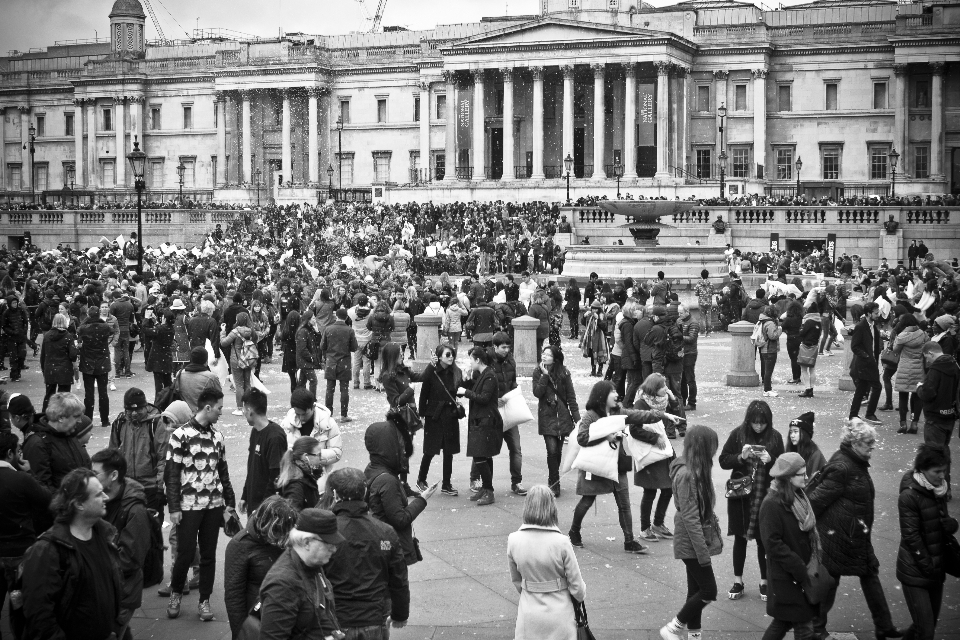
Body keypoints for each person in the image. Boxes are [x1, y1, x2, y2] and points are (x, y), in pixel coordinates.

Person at [808, 419, 905, 640]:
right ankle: (816, 628)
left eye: (872, 443)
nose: (872, 447)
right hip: (837, 539)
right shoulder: (843, 467)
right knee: (832, 583)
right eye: (868, 443)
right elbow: (815, 501)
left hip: (853, 537)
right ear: (854, 443)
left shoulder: (855, 462)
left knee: (868, 577)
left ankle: (884, 626)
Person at [20, 468, 123, 640]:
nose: (106, 497)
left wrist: (116, 628)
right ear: (79, 504)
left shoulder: (103, 534)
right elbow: (40, 618)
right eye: (98, 495)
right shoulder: (46, 550)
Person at [164, 386, 238, 622]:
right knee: (185, 553)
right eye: (219, 408)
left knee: (208, 555)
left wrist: (230, 503)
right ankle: (176, 593)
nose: (221, 412)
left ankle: (204, 600)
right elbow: (171, 474)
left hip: (213, 506)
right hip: (187, 506)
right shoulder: (180, 436)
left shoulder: (218, 436)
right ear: (207, 407)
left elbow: (223, 472)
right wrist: (173, 508)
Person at [325, 467, 411, 638]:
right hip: (374, 616)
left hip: (338, 618)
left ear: (335, 494)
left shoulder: (326, 531)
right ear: (364, 491)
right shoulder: (385, 532)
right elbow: (398, 578)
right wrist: (400, 614)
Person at [568, 379, 649, 554]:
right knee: (587, 500)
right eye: (612, 391)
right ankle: (574, 532)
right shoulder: (590, 415)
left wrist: (662, 415)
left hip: (617, 465)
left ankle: (629, 541)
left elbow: (639, 415)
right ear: (602, 396)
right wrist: (606, 436)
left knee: (624, 504)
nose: (617, 395)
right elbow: (582, 438)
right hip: (596, 465)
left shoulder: (617, 412)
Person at [660, 425, 721, 640]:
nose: (714, 451)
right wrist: (703, 554)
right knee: (708, 591)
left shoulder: (694, 470)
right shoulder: (687, 475)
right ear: (702, 447)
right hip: (692, 542)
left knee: (695, 591)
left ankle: (694, 637)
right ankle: (673, 628)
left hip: (694, 541)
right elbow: (690, 518)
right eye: (712, 447)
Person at [719, 399, 784, 602]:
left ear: (768, 421)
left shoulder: (775, 437)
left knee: (764, 540)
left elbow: (784, 466)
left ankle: (765, 581)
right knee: (739, 538)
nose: (758, 426)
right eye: (754, 422)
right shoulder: (738, 434)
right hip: (741, 496)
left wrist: (771, 460)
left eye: (762, 423)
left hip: (766, 496)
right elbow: (723, 460)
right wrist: (741, 456)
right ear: (749, 420)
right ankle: (738, 580)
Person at [507, 484, 587, 640]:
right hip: (560, 613)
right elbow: (577, 587)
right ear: (552, 508)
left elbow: (516, 580)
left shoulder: (513, 540)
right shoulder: (562, 542)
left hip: (529, 612)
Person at [896, 443, 957, 640]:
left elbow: (941, 527)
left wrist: (952, 524)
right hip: (916, 571)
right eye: (937, 472)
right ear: (922, 470)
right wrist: (929, 566)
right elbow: (911, 536)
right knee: (926, 631)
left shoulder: (937, 490)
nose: (942, 476)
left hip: (935, 570)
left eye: (944, 471)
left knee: (924, 626)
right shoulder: (909, 495)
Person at [758, 452, 820, 640]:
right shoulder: (771, 504)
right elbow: (772, 544)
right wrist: (799, 568)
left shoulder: (798, 496)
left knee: (785, 622)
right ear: (788, 477)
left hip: (799, 575)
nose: (806, 477)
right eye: (801, 474)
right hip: (788, 577)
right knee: (802, 626)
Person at [91, 447, 152, 640]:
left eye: (95, 473)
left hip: (123, 592)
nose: (91, 479)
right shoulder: (103, 499)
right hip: (106, 589)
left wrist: (92, 564)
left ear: (114, 475)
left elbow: (130, 559)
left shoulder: (135, 511)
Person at [257, 508, 344, 639]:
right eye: (328, 543)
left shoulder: (313, 564)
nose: (334, 549)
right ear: (307, 542)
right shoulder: (283, 584)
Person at [223, 495, 299, 637]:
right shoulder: (240, 545)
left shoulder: (285, 535)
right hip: (257, 618)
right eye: (279, 532)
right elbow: (234, 597)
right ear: (268, 525)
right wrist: (241, 633)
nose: (283, 538)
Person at [364, 417, 436, 564]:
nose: (402, 448)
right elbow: (400, 519)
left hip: (381, 545)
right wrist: (422, 499)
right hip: (391, 548)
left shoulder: (373, 468)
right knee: (396, 584)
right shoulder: (387, 480)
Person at [0, 430, 52, 626]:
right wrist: (30, 473)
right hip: (20, 552)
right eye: (18, 451)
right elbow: (48, 500)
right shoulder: (22, 479)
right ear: (10, 453)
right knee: (22, 607)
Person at [471, 332, 525, 496]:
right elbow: (477, 386)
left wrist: (514, 392)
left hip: (508, 409)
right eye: (503, 347)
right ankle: (477, 479)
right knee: (483, 448)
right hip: (491, 412)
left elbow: (512, 381)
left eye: (508, 347)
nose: (506, 350)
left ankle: (516, 482)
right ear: (494, 347)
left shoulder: (510, 361)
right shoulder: (485, 362)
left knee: (516, 448)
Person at [632, 373, 681, 542]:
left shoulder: (663, 401)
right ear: (654, 389)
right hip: (650, 452)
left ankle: (658, 524)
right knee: (650, 491)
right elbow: (634, 429)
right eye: (662, 386)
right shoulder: (640, 403)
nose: (666, 388)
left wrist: (673, 399)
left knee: (668, 489)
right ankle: (645, 528)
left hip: (663, 452)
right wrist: (655, 438)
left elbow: (679, 415)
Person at [456, 347, 503, 506]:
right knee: (484, 455)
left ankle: (489, 491)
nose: (469, 361)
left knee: (480, 455)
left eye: (471, 359)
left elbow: (484, 398)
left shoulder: (490, 376)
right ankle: (485, 487)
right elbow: (473, 389)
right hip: (481, 420)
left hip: (486, 421)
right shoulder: (483, 374)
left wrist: (466, 392)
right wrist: (465, 381)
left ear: (478, 360)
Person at [532, 345, 580, 498]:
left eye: (548, 355)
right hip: (547, 417)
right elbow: (537, 393)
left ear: (555, 358)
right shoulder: (537, 372)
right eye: (543, 354)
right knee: (552, 450)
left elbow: (571, 398)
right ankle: (554, 482)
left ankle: (553, 478)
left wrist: (578, 421)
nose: (544, 356)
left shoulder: (564, 373)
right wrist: (544, 375)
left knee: (557, 452)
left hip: (562, 417)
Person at [415, 343, 463, 496]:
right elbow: (424, 395)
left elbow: (458, 391)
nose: (451, 357)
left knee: (449, 451)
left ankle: (446, 484)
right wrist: (421, 415)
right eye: (447, 355)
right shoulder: (432, 372)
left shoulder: (456, 372)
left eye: (452, 354)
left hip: (450, 415)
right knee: (430, 449)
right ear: (439, 356)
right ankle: (421, 479)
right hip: (434, 415)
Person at [21, 392, 91, 491]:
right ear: (61, 418)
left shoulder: (69, 434)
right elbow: (40, 488)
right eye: (76, 416)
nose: (80, 421)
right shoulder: (38, 444)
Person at [108, 387, 164, 512]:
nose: (134, 413)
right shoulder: (119, 424)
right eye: (130, 410)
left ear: (145, 407)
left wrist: (160, 488)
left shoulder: (155, 424)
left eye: (138, 409)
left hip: (150, 487)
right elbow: (112, 456)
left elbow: (163, 458)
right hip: (126, 486)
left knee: (151, 527)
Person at [917, 341, 959, 493]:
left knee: (935, 454)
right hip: (950, 416)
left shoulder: (935, 369)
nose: (926, 361)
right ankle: (945, 486)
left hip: (935, 418)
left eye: (926, 357)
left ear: (931, 353)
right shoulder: (954, 366)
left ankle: (939, 487)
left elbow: (928, 393)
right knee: (944, 450)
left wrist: (919, 388)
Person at [279, 387, 343, 488]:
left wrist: (316, 456)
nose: (301, 418)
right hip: (295, 479)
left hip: (321, 480)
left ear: (313, 407)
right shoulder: (287, 425)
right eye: (297, 414)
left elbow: (337, 452)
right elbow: (281, 452)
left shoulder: (328, 424)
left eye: (304, 414)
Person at [239, 388, 287, 515]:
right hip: (254, 504)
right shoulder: (255, 431)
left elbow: (276, 476)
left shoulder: (275, 437)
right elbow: (252, 466)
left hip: (266, 509)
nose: (243, 412)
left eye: (244, 409)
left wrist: (263, 508)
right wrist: (245, 495)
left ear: (249, 411)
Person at [319, 308, 358, 423]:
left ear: (336, 316)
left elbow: (322, 346)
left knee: (329, 389)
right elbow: (354, 347)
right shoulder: (349, 330)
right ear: (346, 317)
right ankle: (343, 415)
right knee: (344, 389)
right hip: (344, 362)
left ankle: (328, 413)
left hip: (331, 362)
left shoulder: (328, 329)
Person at [848, 302, 883, 426]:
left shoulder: (873, 325)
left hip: (870, 361)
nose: (878, 315)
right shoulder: (861, 326)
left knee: (861, 389)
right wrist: (867, 356)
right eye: (876, 313)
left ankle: (853, 415)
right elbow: (855, 346)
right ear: (868, 313)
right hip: (865, 363)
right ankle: (869, 413)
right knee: (877, 387)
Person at [77, 305, 113, 428]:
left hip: (88, 362)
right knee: (103, 393)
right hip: (102, 361)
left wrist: (88, 319)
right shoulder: (105, 327)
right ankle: (105, 420)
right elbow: (111, 331)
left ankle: (88, 419)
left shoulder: (84, 328)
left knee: (89, 394)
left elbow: (79, 329)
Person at [892, 314, 928, 434]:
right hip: (918, 368)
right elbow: (927, 348)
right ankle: (914, 423)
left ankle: (903, 424)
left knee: (903, 396)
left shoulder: (902, 336)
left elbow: (895, 350)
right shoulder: (923, 334)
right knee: (917, 396)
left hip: (904, 368)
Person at [221, 311, 258, 417]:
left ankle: (239, 408)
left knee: (239, 384)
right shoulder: (251, 332)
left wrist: (223, 332)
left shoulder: (235, 332)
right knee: (247, 383)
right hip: (248, 359)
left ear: (238, 320)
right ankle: (248, 407)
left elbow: (224, 343)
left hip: (236, 360)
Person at [39, 313, 77, 412]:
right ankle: (62, 415)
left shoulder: (47, 336)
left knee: (49, 394)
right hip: (64, 369)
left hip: (50, 368)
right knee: (64, 396)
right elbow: (73, 355)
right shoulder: (68, 336)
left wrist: (44, 369)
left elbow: (43, 355)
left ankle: (45, 415)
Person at [277, 436, 324, 510]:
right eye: (319, 455)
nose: (321, 458)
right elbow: (293, 514)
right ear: (306, 456)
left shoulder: (304, 475)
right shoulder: (296, 485)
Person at [177, 346, 223, 413]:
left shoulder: (180, 373)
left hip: (183, 414)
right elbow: (219, 398)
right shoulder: (211, 377)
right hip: (202, 416)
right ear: (206, 361)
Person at [143, 309, 176, 400]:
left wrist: (146, 319)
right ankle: (168, 401)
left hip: (157, 359)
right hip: (167, 358)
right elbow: (161, 329)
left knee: (158, 386)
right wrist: (156, 322)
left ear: (164, 318)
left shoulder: (160, 329)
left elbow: (145, 330)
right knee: (167, 383)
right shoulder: (171, 328)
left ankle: (159, 403)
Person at [786, 412, 827, 481]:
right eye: (791, 432)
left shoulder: (815, 455)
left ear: (805, 434)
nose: (792, 435)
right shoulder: (790, 450)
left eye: (795, 432)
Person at [757, 306, 783, 398]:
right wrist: (779, 330)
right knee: (768, 371)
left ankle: (768, 389)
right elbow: (772, 336)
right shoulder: (770, 323)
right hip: (769, 349)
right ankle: (767, 390)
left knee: (767, 370)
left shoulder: (762, 320)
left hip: (764, 348)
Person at [678, 305, 700, 411]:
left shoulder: (693, 322)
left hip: (690, 353)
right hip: (682, 352)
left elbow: (692, 338)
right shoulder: (679, 321)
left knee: (690, 379)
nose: (679, 315)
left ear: (687, 312)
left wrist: (679, 337)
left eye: (681, 313)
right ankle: (682, 400)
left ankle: (692, 402)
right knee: (682, 378)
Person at [797, 306, 821, 398]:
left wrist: (802, 326)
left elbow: (801, 333)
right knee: (812, 369)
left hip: (805, 346)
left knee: (803, 369)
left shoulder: (808, 321)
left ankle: (807, 389)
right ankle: (811, 389)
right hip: (814, 346)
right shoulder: (819, 322)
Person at [279, 309, 301, 393]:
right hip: (298, 355)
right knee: (301, 380)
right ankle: (301, 398)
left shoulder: (286, 330)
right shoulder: (300, 331)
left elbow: (282, 338)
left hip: (289, 356)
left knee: (293, 380)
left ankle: (294, 397)